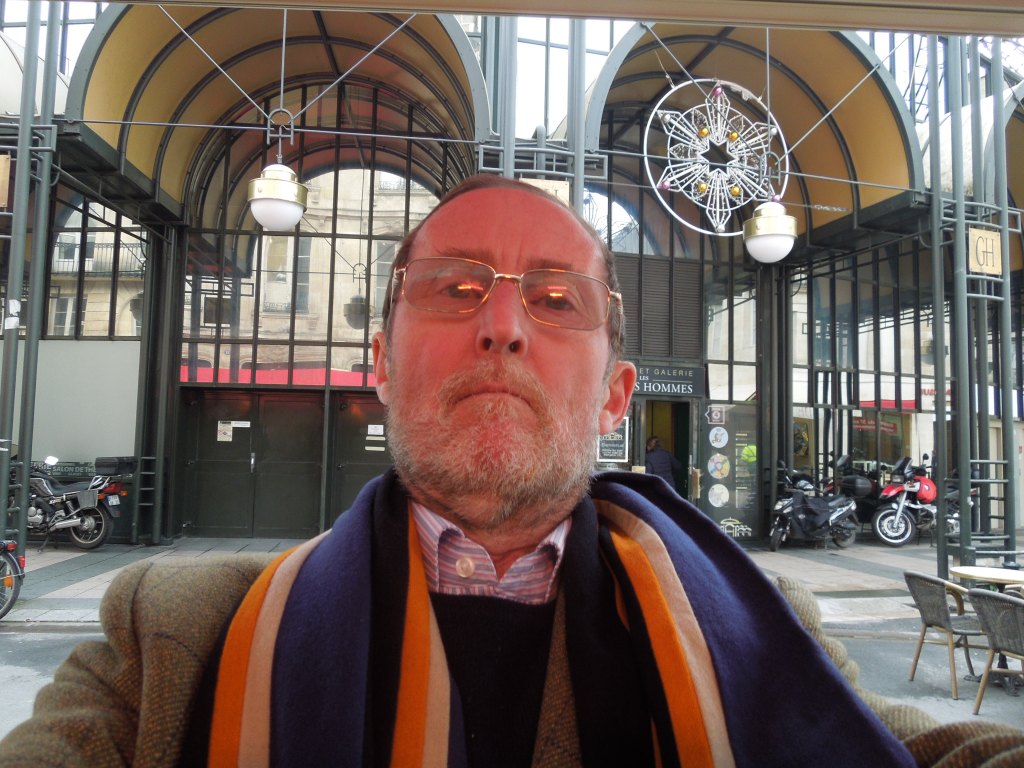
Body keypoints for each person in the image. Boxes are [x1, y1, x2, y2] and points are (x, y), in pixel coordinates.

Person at [1, 176, 1021, 768]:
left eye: (556, 299)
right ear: (381, 367)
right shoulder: (169, 644)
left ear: (615, 397)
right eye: (455, 289)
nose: (500, 324)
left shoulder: (762, 632)